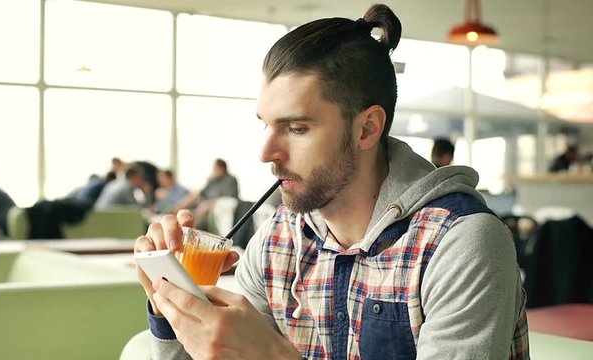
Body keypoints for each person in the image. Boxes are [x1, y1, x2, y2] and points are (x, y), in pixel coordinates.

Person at [134, 4, 529, 359]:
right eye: (268, 126)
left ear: (367, 128)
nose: (266, 152)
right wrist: (171, 302)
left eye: (297, 128)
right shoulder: (277, 241)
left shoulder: (460, 243)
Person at [172, 159, 239, 225]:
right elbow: (203, 192)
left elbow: (228, 198)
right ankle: (175, 210)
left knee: (204, 206)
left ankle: (193, 224)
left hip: (217, 203)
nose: (214, 171)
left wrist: (209, 203)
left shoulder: (230, 180)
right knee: (193, 196)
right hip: (205, 201)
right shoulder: (212, 179)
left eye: (216, 168)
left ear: (222, 169)